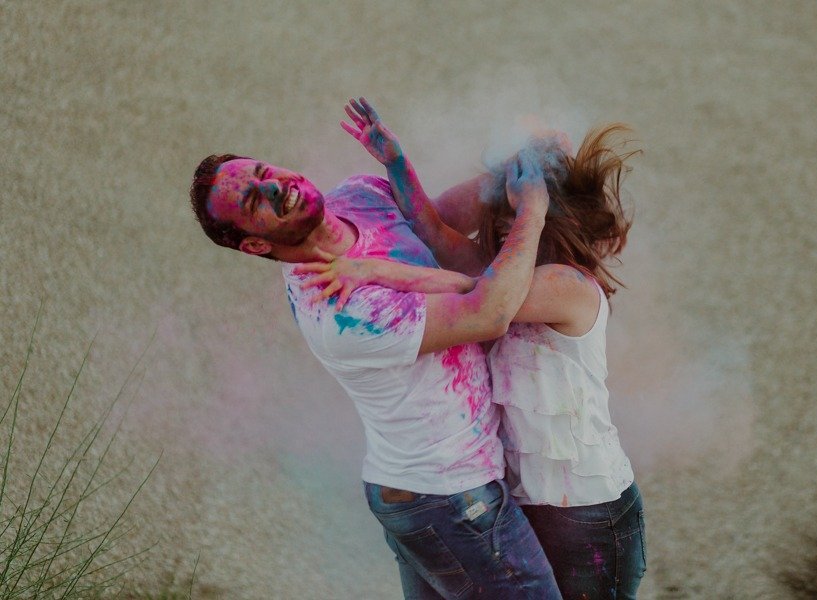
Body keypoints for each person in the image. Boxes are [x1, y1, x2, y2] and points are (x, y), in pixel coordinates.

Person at [188, 98, 562, 599]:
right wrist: (532, 212)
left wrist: (521, 164)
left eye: (263, 171)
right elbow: (489, 312)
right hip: (449, 497)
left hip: (433, 494)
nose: (276, 187)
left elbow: (438, 220)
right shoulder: (339, 310)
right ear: (255, 245)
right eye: (256, 199)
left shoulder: (356, 194)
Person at [299, 100, 646, 599]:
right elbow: (435, 234)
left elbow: (474, 296)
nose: (504, 234)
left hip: (589, 513)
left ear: (553, 221)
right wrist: (396, 163)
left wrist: (374, 270)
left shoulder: (569, 286)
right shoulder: (504, 271)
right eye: (501, 225)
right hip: (530, 503)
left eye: (515, 224)